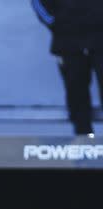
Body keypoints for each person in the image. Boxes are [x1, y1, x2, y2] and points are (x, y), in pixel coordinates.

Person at [33, 0, 103, 134]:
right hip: (68, 41)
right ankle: (84, 138)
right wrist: (56, 23)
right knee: (75, 89)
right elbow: (38, 2)